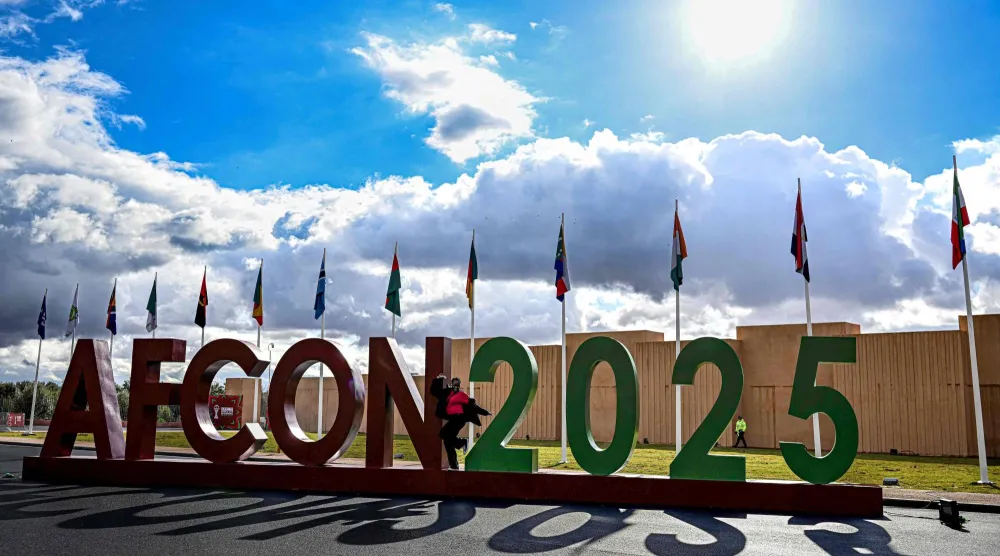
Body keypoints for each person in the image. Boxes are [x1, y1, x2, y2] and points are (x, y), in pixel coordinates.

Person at [431, 374, 489, 470]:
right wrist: (438, 380)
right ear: (451, 385)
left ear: (459, 386)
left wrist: (485, 412)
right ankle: (454, 465)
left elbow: (473, 405)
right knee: (448, 441)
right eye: (454, 385)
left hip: (459, 418)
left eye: (457, 386)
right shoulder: (446, 393)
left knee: (443, 434)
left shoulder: (462, 395)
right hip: (452, 418)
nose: (455, 387)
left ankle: (463, 442)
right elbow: (434, 391)